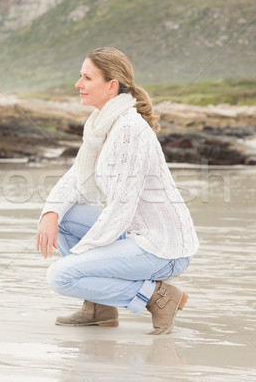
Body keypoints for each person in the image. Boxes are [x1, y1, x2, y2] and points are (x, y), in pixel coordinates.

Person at [36, 47, 199, 335]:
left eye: (87, 78)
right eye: (80, 76)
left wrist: (80, 259)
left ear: (111, 86)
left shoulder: (128, 130)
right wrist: (50, 213)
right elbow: (76, 175)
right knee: (62, 217)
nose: (78, 84)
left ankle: (157, 297)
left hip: (163, 248)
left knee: (61, 277)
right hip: (135, 232)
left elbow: (121, 207)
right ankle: (99, 308)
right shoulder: (101, 124)